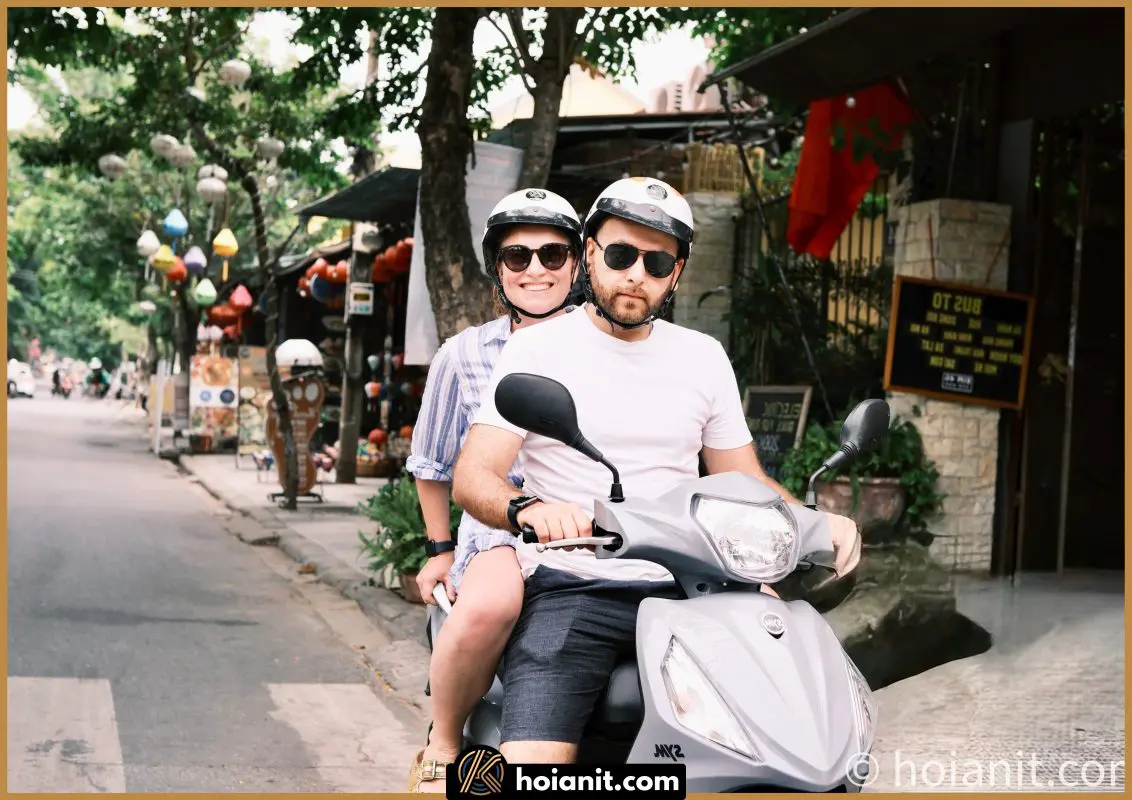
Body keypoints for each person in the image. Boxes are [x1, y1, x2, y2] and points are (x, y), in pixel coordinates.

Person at [451, 176, 862, 765]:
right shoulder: (538, 350)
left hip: (696, 585)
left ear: (677, 271)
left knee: (792, 741)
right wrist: (530, 510)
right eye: (620, 254)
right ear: (590, 251)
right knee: (533, 764)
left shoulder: (702, 357)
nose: (635, 273)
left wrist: (817, 521)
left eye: (656, 260)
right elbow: (475, 475)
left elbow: (741, 478)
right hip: (576, 581)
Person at [405, 188, 584, 792]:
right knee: (490, 604)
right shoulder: (463, 356)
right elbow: (432, 463)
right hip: (501, 525)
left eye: (553, 254)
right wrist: (439, 551)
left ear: (578, 263)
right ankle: (446, 739)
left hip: (598, 528)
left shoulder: (608, 347)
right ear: (497, 269)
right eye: (517, 256)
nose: (536, 269)